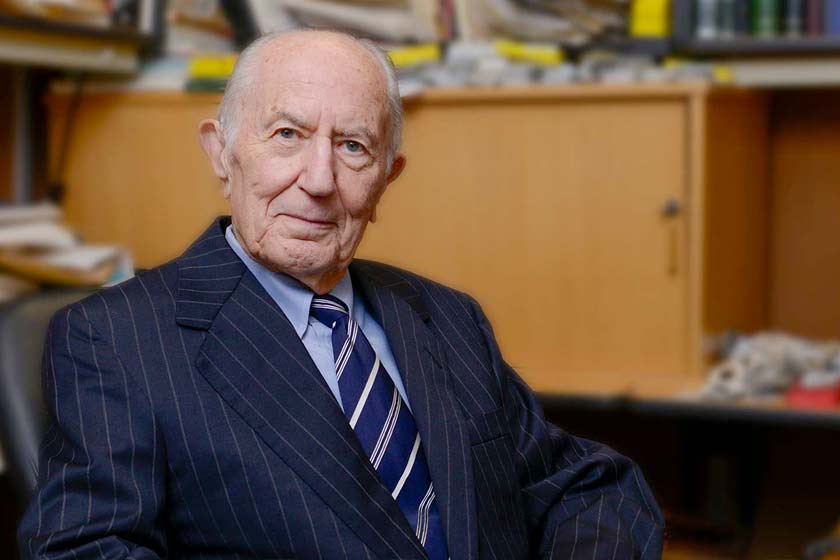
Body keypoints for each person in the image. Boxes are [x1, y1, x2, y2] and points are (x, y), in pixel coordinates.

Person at [18, 30, 664, 559]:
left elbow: (586, 486)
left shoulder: (446, 318)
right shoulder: (115, 340)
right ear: (222, 153)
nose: (320, 180)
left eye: (353, 147)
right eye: (287, 136)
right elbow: (84, 551)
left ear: (387, 178)